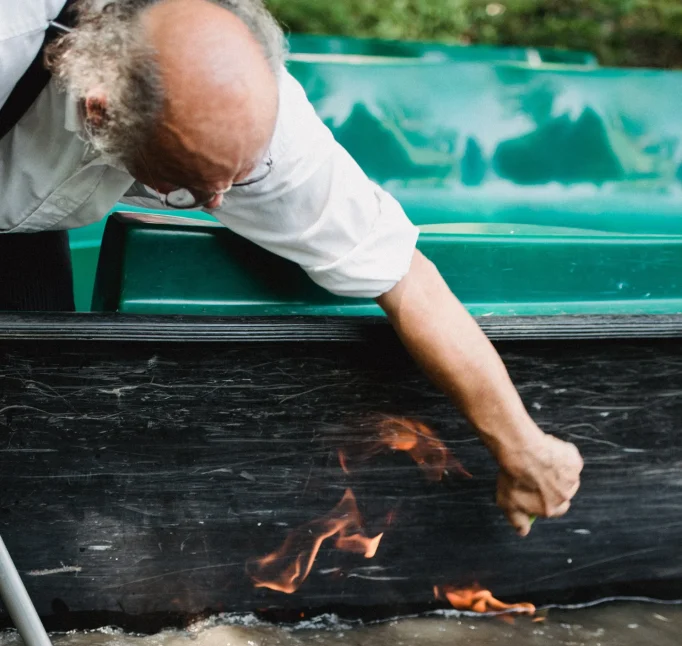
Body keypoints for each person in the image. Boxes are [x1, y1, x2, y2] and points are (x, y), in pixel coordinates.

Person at [0, 0, 582, 535]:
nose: (219, 202)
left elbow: (407, 281)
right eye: (187, 189)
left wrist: (522, 446)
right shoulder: (12, 37)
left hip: (29, 233)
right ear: (99, 112)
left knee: (31, 453)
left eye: (237, 179)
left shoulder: (258, 119)